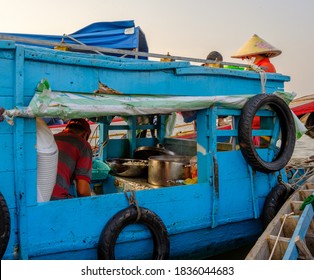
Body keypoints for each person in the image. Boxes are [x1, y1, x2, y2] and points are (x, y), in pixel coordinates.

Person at [51, 118, 92, 200]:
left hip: (35, 196)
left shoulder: (52, 138)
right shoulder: (84, 145)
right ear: (85, 135)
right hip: (56, 199)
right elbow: (83, 191)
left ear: (65, 129)